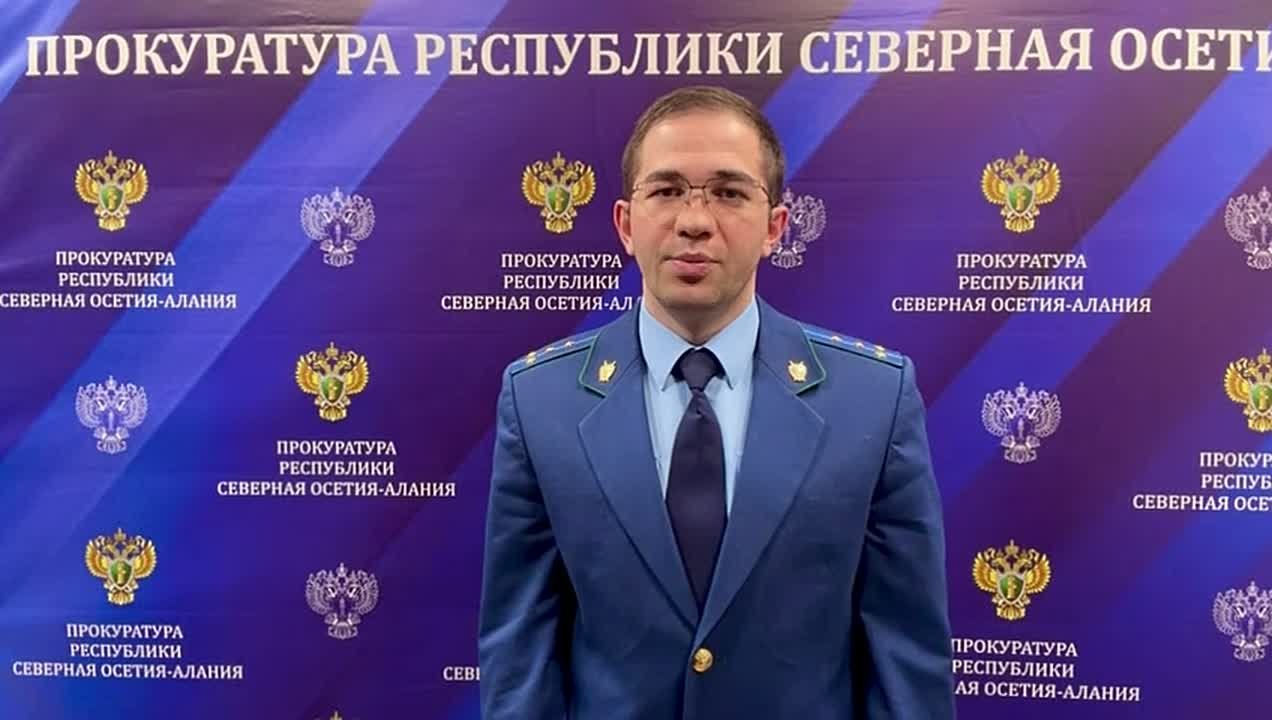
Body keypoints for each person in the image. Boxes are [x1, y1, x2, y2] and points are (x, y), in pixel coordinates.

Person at [478, 85, 954, 719]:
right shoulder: (541, 402)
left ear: (775, 227)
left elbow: (907, 657)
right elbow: (521, 651)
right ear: (625, 223)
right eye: (666, 190)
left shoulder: (872, 400)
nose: (695, 221)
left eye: (729, 193)